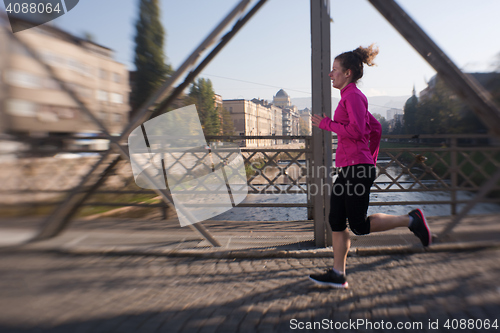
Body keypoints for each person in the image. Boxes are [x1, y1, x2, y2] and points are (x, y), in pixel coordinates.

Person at [309, 44, 432, 289]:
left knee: (358, 225)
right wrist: (371, 159)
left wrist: (327, 125)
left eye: (334, 70)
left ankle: (412, 220)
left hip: (356, 168)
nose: (331, 74)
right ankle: (337, 273)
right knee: (335, 219)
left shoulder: (353, 96)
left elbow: (358, 130)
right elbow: (375, 129)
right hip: (351, 167)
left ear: (348, 73)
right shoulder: (349, 97)